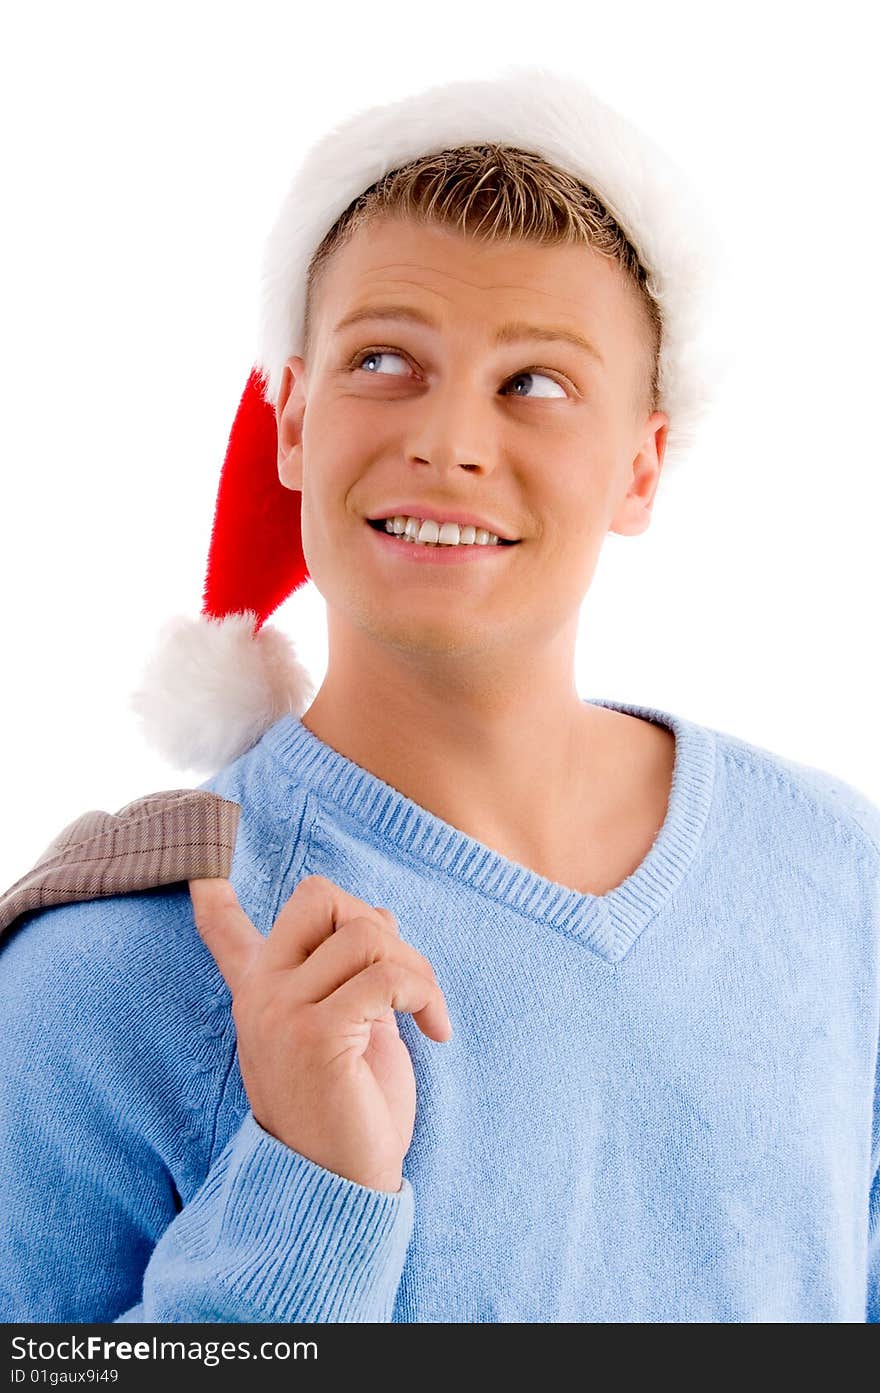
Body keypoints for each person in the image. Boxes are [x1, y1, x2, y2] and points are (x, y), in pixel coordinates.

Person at [1, 65, 879, 1325]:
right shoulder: (108, 974)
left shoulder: (835, 875)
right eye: (386, 361)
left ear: (641, 467)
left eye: (534, 382)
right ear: (291, 422)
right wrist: (309, 1193)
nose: (450, 442)